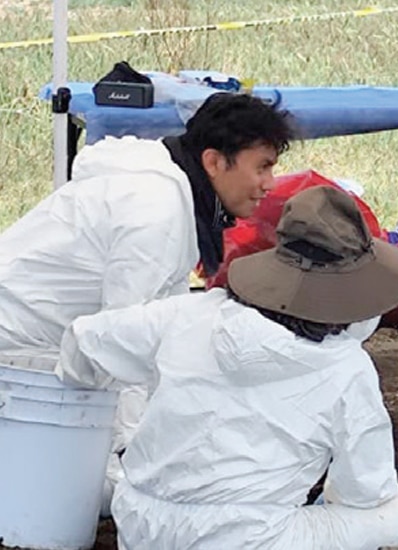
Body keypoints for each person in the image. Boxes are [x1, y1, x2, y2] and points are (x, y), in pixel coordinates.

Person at [55, 186, 398, 549]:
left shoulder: (193, 312)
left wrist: (109, 436)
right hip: (254, 538)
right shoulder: (345, 366)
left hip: (143, 527)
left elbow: (84, 342)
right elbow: (365, 491)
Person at [0, 92, 293, 510]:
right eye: (262, 167)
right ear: (213, 162)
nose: (269, 184)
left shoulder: (166, 190)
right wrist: (136, 457)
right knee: (89, 497)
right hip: (20, 356)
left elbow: (161, 332)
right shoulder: (155, 210)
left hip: (41, 343)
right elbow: (121, 340)